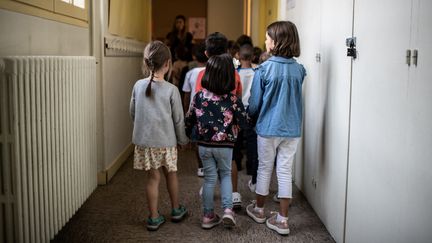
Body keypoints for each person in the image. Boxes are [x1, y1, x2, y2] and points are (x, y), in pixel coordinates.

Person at [246, 21, 306, 236]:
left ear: (276, 42)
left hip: (268, 128)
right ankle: (282, 220)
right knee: (284, 171)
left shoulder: (263, 69)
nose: (264, 41)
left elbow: (254, 104)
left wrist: (250, 116)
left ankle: (259, 209)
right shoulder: (299, 70)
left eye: (267, 38)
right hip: (291, 129)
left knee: (264, 168)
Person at [130, 40, 189, 231]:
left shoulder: (138, 86)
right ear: (167, 64)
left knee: (152, 179)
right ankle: (176, 209)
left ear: (147, 63)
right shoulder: (171, 90)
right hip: (166, 143)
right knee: (171, 175)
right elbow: (179, 120)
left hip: (146, 143)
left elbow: (133, 112)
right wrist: (182, 140)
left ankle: (154, 217)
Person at [185, 54, 248, 229]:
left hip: (204, 145)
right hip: (226, 146)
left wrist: (188, 135)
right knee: (226, 176)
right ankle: (228, 211)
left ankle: (207, 216)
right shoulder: (233, 100)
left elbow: (189, 118)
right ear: (230, 76)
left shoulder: (198, 96)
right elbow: (244, 121)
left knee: (209, 179)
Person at [193, 32, 243, 209]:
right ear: (227, 51)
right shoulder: (234, 74)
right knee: (230, 164)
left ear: (206, 54)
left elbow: (198, 103)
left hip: (206, 134)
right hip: (228, 133)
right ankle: (233, 195)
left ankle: (209, 203)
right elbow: (239, 98)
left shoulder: (202, 75)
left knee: (210, 172)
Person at [182, 43, 208, 177]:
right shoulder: (212, 71)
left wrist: (187, 111)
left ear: (193, 56)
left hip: (196, 111)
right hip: (211, 110)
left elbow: (186, 94)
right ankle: (210, 166)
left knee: (197, 140)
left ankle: (201, 167)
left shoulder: (190, 73)